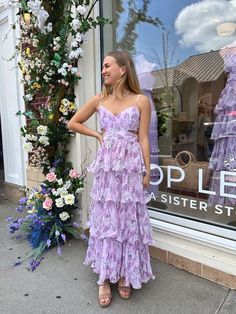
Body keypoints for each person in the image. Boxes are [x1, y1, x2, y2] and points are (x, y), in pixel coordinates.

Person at [68, 50, 155, 308]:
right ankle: (105, 277)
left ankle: (126, 272)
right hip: (107, 171)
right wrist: (97, 134)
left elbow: (143, 138)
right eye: (103, 67)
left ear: (123, 69)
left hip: (130, 168)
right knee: (107, 219)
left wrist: (147, 171)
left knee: (128, 220)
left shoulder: (140, 100)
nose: (104, 70)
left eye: (107, 66)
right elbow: (74, 122)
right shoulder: (99, 100)